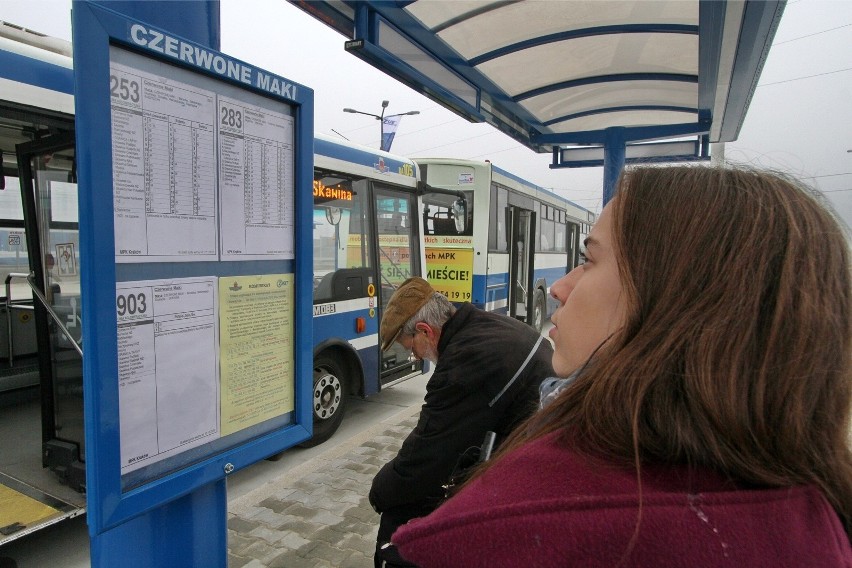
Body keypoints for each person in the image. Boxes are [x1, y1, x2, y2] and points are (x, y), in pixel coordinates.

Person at [392, 166, 852, 567]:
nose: (559, 288)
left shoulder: (517, 523)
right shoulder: (817, 511)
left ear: (679, 301)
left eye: (589, 261)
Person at [370, 277, 554, 567]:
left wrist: (380, 492)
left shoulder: (464, 362)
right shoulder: (487, 325)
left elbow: (427, 455)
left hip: (539, 472)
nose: (414, 355)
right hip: (533, 442)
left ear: (425, 331)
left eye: (411, 347)